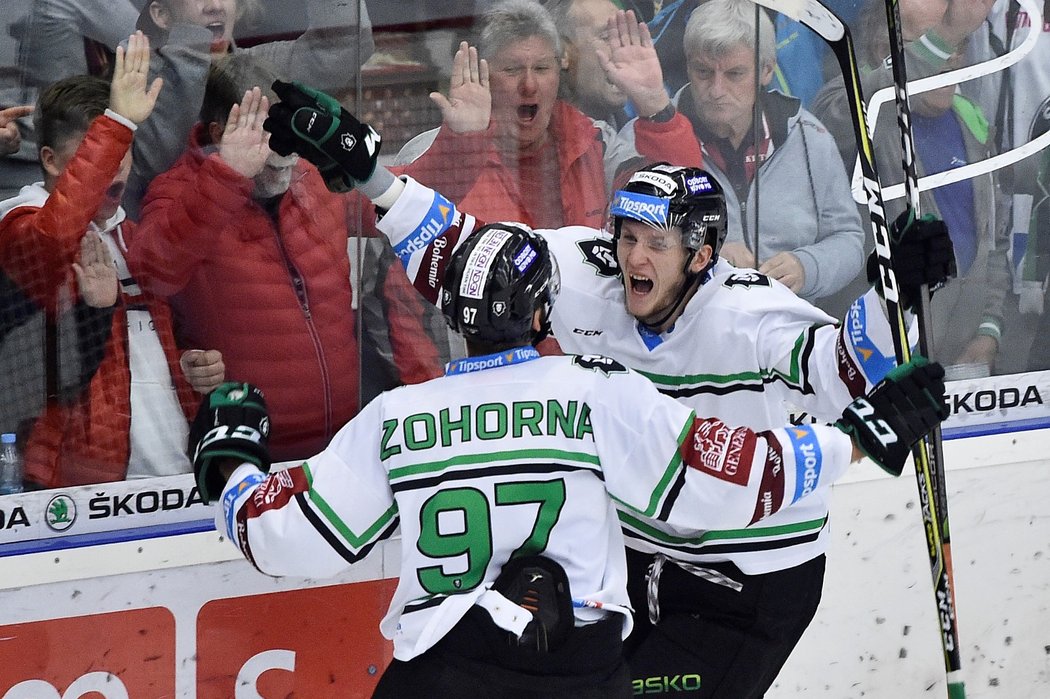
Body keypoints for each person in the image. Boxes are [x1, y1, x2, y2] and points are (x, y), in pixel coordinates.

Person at [262, 81, 957, 697]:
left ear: (703, 254)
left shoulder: (749, 314)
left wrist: (894, 299)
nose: (633, 257)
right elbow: (468, 256)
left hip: (744, 581)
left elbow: (844, 367)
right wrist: (370, 175)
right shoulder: (586, 273)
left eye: (657, 243)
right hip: (642, 561)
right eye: (626, 236)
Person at [129, 54, 443, 463]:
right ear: (221, 133)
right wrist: (228, 174)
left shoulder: (312, 180)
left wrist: (464, 140)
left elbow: (406, 205)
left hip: (343, 448)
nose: (283, 153)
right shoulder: (181, 191)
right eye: (265, 134)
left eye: (287, 134)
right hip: (252, 458)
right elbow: (154, 270)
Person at [0, 33, 224, 488]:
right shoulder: (19, 225)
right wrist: (118, 119)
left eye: (124, 149)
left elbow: (150, 354)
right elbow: (58, 234)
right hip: (80, 491)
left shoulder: (133, 236)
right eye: (99, 150)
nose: (115, 165)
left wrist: (193, 368)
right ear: (50, 160)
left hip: (175, 473)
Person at [601, 5, 866, 306]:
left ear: (767, 70)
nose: (716, 89)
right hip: (683, 327)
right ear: (687, 66)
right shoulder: (644, 137)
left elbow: (849, 239)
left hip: (787, 326)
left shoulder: (809, 137)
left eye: (734, 74)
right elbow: (620, 242)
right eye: (703, 72)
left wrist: (807, 267)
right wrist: (702, 252)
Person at [811, 0, 1010, 375]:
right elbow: (844, 113)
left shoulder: (972, 122)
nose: (949, 57)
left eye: (958, 44)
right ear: (881, 51)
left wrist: (989, 330)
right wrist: (947, 33)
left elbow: (993, 241)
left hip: (964, 364)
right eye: (930, 43)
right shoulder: (853, 106)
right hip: (877, 363)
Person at [124, 0, 374, 218]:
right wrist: (188, 50)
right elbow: (154, 173)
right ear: (161, 15)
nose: (215, 5)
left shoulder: (261, 68)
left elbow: (346, 47)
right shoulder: (135, 88)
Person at [395, 0, 614, 229]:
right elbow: (395, 256)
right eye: (512, 69)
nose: (529, 85)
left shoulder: (597, 143)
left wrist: (652, 109)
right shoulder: (429, 157)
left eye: (541, 69)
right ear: (482, 74)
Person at [545, 0, 634, 130]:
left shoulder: (638, 135)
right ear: (562, 52)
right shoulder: (528, 140)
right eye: (607, 37)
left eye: (627, 36)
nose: (625, 50)